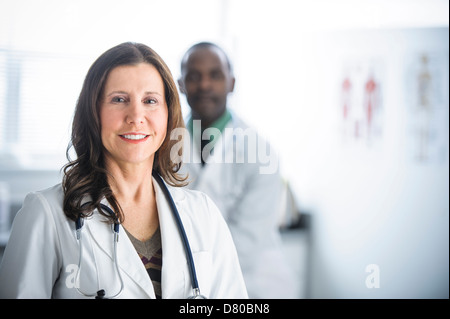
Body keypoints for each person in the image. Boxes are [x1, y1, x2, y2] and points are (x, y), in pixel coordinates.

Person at [0, 42, 248, 299]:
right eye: (119, 99)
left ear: (167, 114)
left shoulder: (203, 214)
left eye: (150, 100)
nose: (136, 116)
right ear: (93, 112)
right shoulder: (46, 214)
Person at [177, 42, 299, 298]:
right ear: (180, 84)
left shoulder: (261, 152)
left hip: (253, 284)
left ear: (232, 83)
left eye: (215, 75)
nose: (204, 85)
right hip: (184, 285)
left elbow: (246, 242)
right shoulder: (161, 146)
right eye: (194, 76)